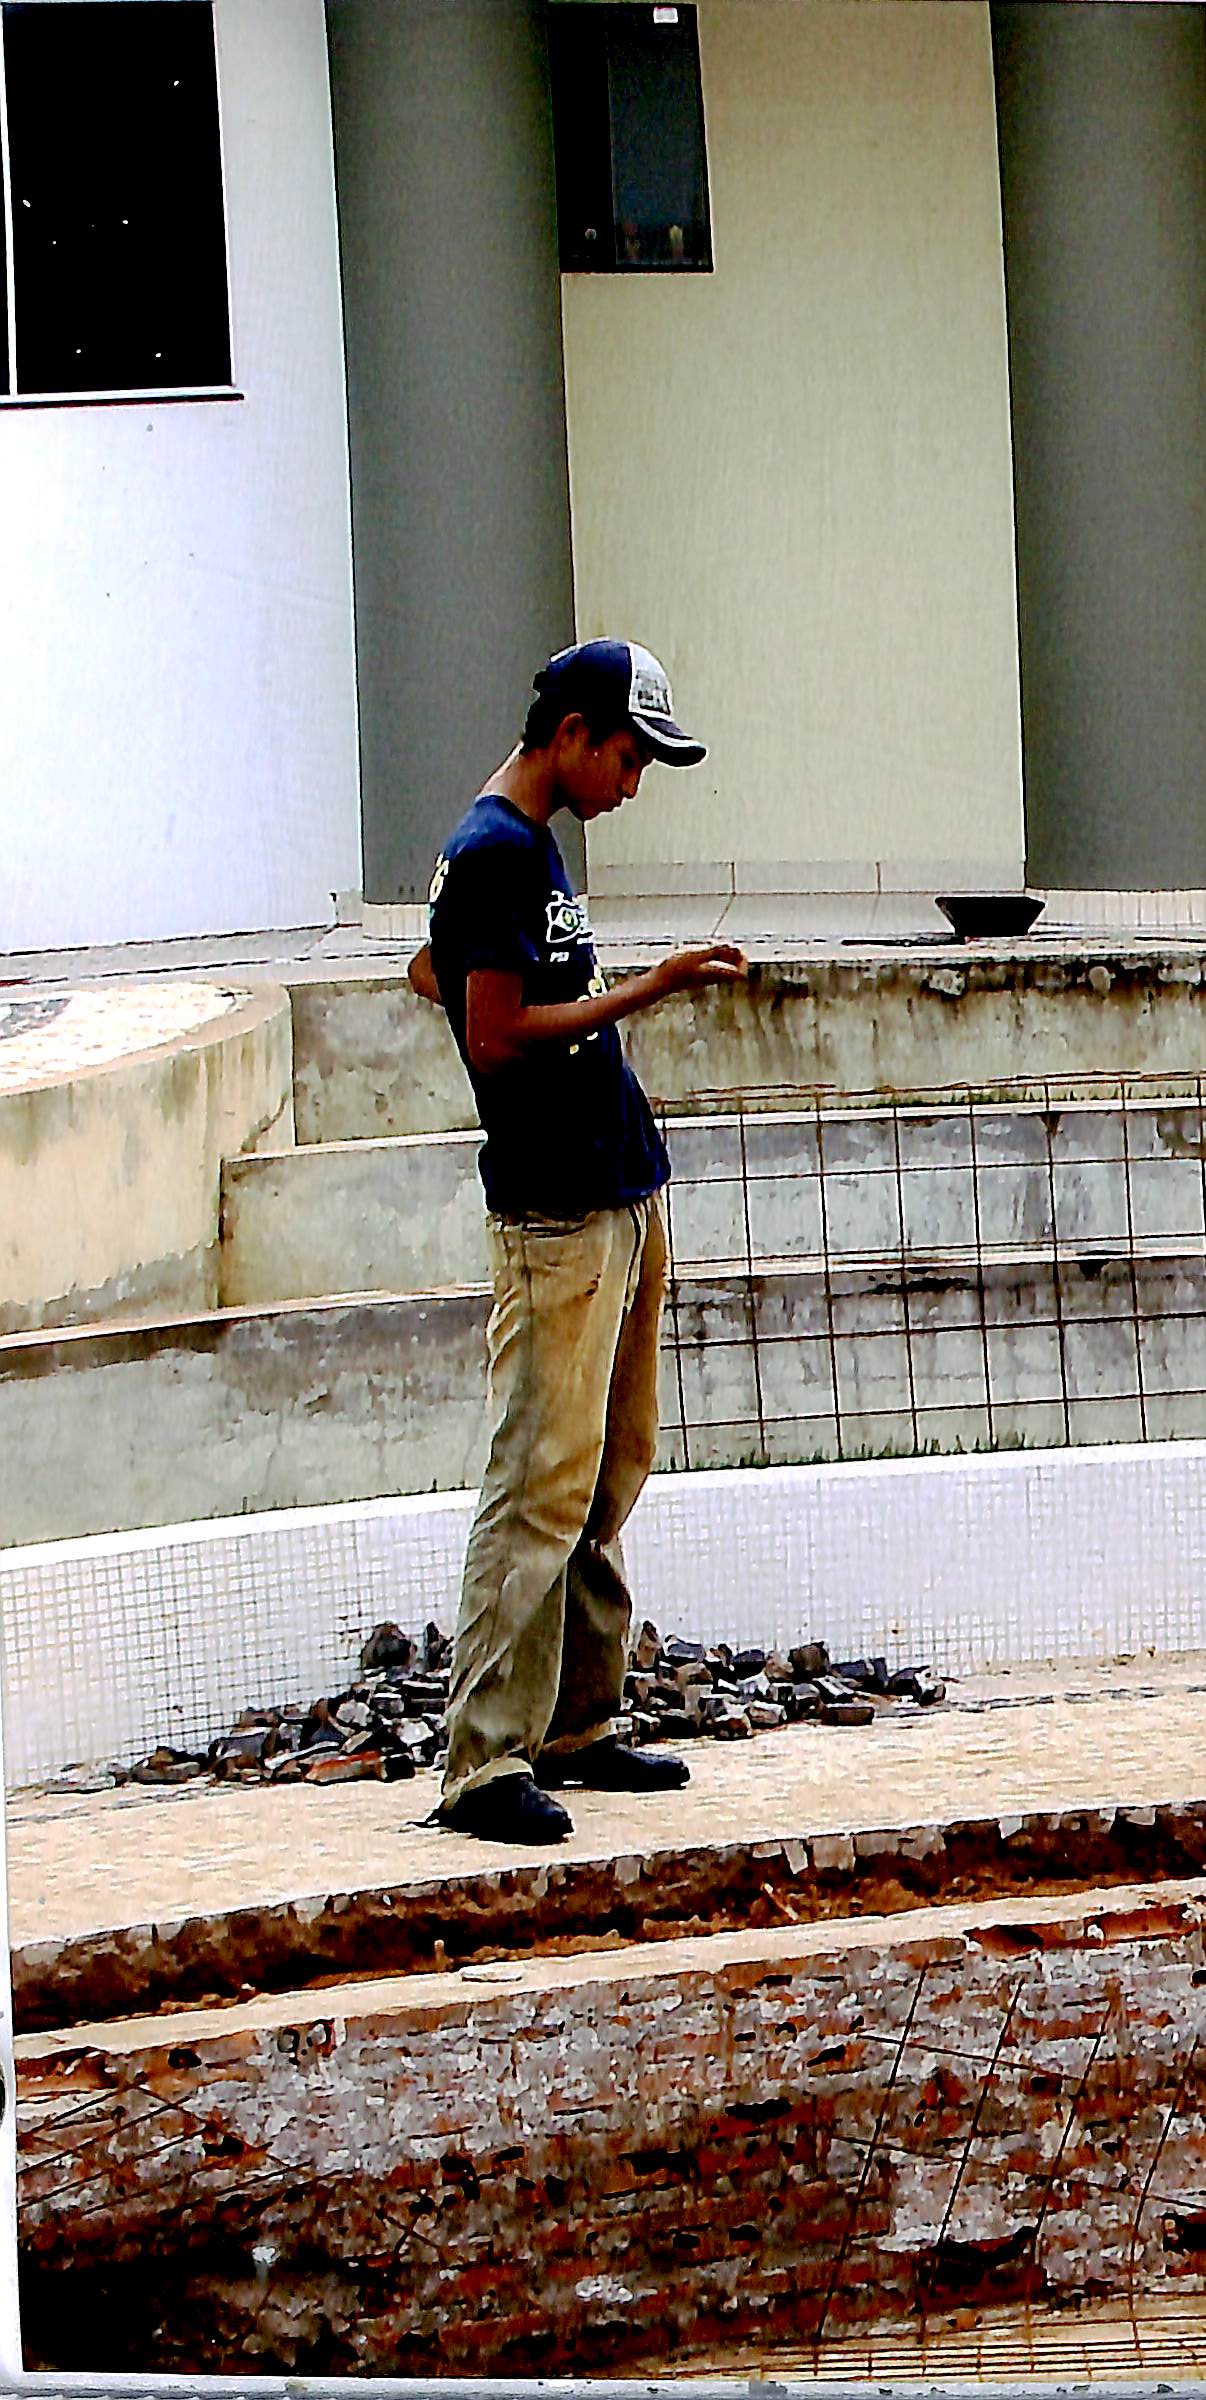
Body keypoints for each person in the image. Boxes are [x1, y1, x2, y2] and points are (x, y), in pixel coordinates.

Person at [416, 638, 746, 1844]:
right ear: (570, 734)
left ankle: (576, 1722)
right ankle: (484, 1762)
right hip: (556, 1209)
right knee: (541, 1480)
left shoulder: (519, 846)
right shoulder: (495, 846)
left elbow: (434, 970)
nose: (630, 783)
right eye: (625, 756)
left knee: (607, 1466)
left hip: (614, 1187)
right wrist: (649, 988)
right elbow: (491, 1030)